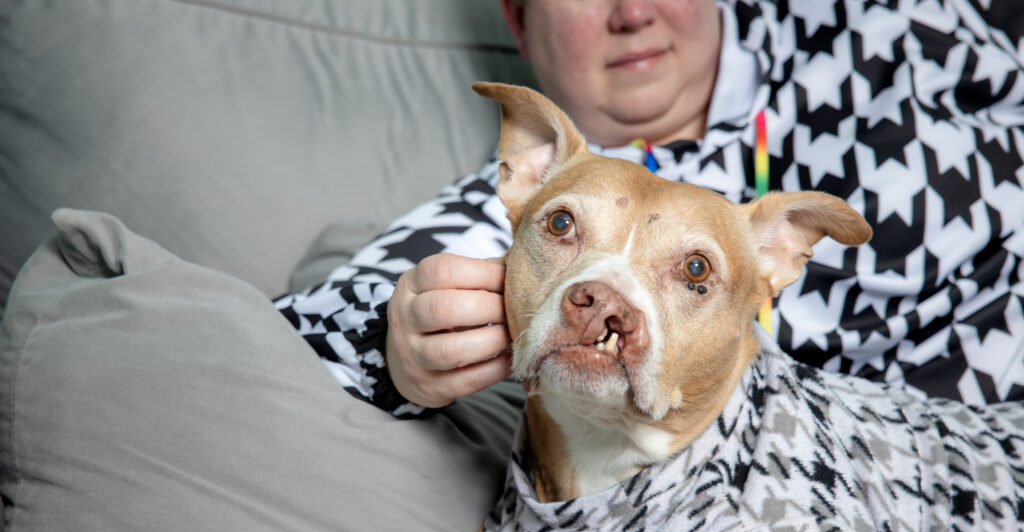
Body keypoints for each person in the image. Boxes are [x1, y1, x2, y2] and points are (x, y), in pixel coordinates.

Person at [276, 0, 1024, 415]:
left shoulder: (874, 23)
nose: (630, 11)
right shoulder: (538, 202)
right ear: (517, 18)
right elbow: (285, 344)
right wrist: (393, 346)